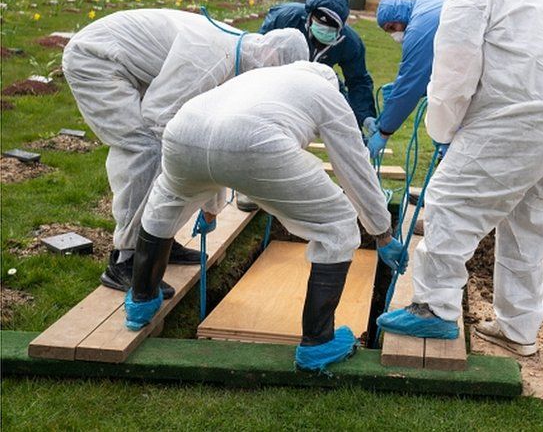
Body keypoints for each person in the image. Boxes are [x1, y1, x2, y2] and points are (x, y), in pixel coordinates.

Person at [376, 0, 543, 356]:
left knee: (447, 202)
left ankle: (434, 309)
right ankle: (519, 328)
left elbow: (453, 77)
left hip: (526, 116)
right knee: (529, 225)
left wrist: (442, 132)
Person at [124, 61, 407, 371]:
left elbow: (215, 142)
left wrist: (210, 208)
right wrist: (381, 232)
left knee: (165, 204)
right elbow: (354, 167)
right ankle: (318, 342)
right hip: (254, 142)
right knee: (337, 224)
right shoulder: (326, 92)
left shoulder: (258, 77)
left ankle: (141, 299)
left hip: (182, 133)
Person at [62, 9, 307, 299]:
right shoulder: (212, 59)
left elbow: (210, 136)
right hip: (96, 59)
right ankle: (126, 258)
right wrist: (204, 189)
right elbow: (161, 118)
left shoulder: (239, 56)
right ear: (269, 58)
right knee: (145, 148)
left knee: (168, 149)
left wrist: (212, 202)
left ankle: (159, 237)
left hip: (132, 64)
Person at [259, 0, 376, 128]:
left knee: (343, 115)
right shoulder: (286, 18)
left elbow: (358, 80)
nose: (325, 30)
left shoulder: (350, 42)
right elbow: (259, 52)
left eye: (331, 28)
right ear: (309, 17)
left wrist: (366, 116)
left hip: (320, 77)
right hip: (279, 74)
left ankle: (361, 146)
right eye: (321, 24)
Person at [364, 0, 444, 161]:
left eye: (392, 27)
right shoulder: (428, 6)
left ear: (399, 16)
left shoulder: (418, 29)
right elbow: (434, 69)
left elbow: (411, 82)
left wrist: (385, 131)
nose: (395, 34)